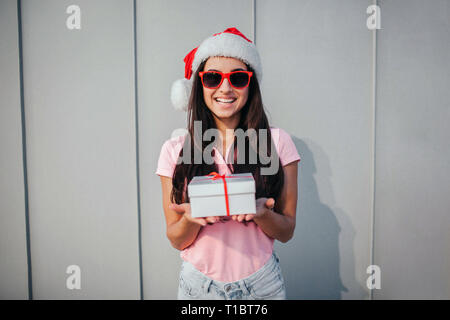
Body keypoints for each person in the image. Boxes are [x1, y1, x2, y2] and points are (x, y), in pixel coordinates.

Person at [156, 27, 301, 300]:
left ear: (250, 85)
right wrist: (190, 219)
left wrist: (262, 214)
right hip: (198, 287)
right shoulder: (174, 150)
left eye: (237, 78)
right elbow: (176, 238)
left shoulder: (278, 143)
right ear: (199, 85)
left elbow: (287, 231)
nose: (225, 88)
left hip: (262, 286)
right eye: (212, 78)